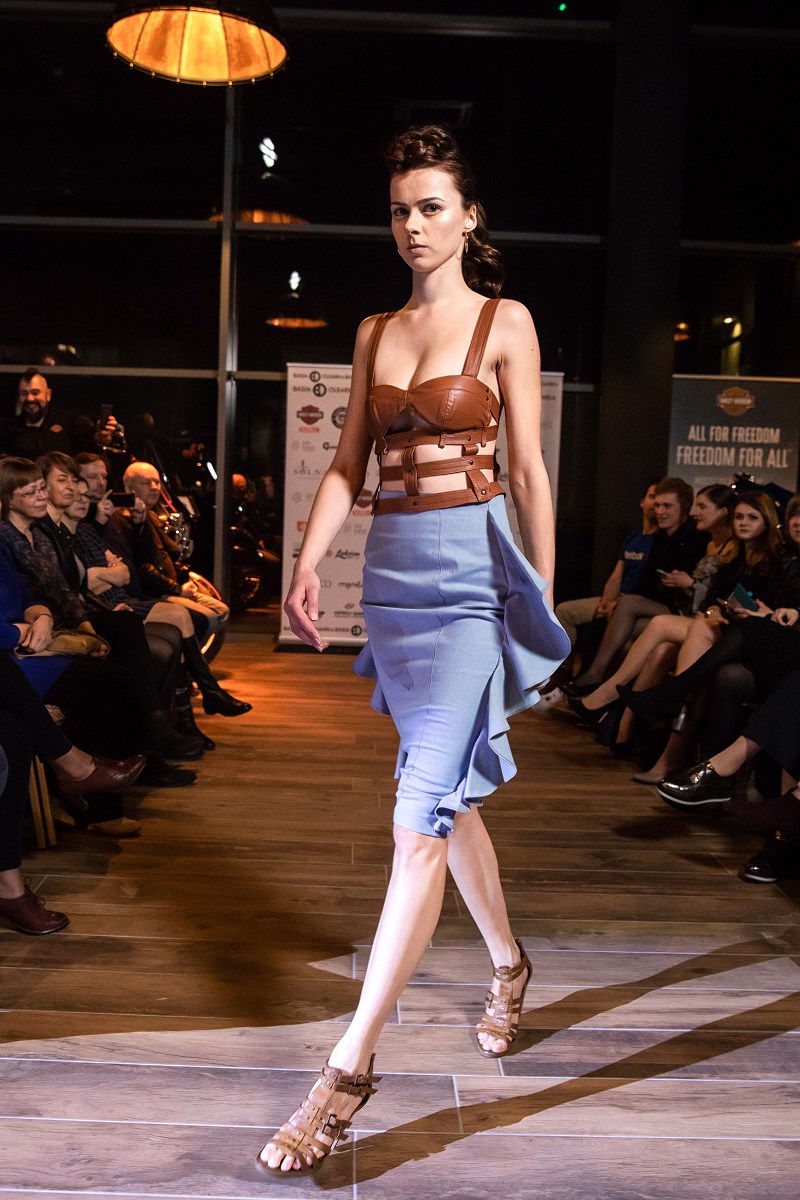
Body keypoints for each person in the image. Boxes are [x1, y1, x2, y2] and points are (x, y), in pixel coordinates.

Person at [257, 125, 569, 1176]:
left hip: (473, 588)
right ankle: (509, 963)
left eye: (431, 206)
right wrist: (306, 564)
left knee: (413, 821)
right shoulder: (373, 331)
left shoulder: (505, 320)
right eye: (399, 209)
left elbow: (527, 469)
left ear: (468, 218)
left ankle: (345, 1074)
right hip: (392, 589)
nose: (412, 224)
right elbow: (349, 463)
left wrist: (537, 586)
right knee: (447, 803)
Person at [103, 461, 251, 717]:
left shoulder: (146, 516)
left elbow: (161, 555)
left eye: (156, 482)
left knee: (213, 612)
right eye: (146, 483)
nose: (154, 487)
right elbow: (141, 569)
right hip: (142, 595)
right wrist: (176, 589)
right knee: (198, 618)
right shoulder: (117, 520)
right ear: (127, 487)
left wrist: (183, 578)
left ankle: (199, 693)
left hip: (156, 589)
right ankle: (202, 691)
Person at [568, 476, 707, 691]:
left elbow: (702, 589)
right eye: (657, 505)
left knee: (626, 608)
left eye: (667, 506)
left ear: (685, 508)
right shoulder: (659, 538)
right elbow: (644, 582)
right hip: (658, 607)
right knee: (620, 632)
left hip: (685, 611)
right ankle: (602, 694)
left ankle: (595, 679)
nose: (659, 511)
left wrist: (687, 583)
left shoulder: (698, 539)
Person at [555, 479, 658, 652]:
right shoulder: (632, 538)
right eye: (652, 497)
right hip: (616, 599)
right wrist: (606, 602)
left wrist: (617, 606)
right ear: (642, 502)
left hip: (635, 606)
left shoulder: (661, 542)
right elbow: (616, 576)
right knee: (564, 611)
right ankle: (562, 664)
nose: (655, 504)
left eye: (661, 501)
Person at [0, 369, 113, 461]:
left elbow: (91, 442)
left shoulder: (68, 422)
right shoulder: (7, 428)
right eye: (24, 393)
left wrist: (102, 436)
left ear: (48, 395)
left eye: (35, 392)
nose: (30, 398)